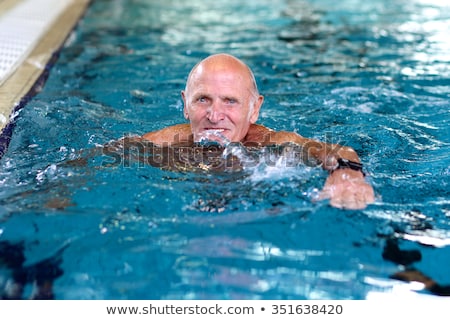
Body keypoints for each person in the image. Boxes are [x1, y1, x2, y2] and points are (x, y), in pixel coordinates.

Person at [141, 53, 375, 210]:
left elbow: (338, 151)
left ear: (254, 109)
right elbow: (108, 153)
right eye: (203, 99)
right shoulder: (163, 143)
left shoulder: (270, 143)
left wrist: (348, 173)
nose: (214, 115)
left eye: (230, 101)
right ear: (185, 104)